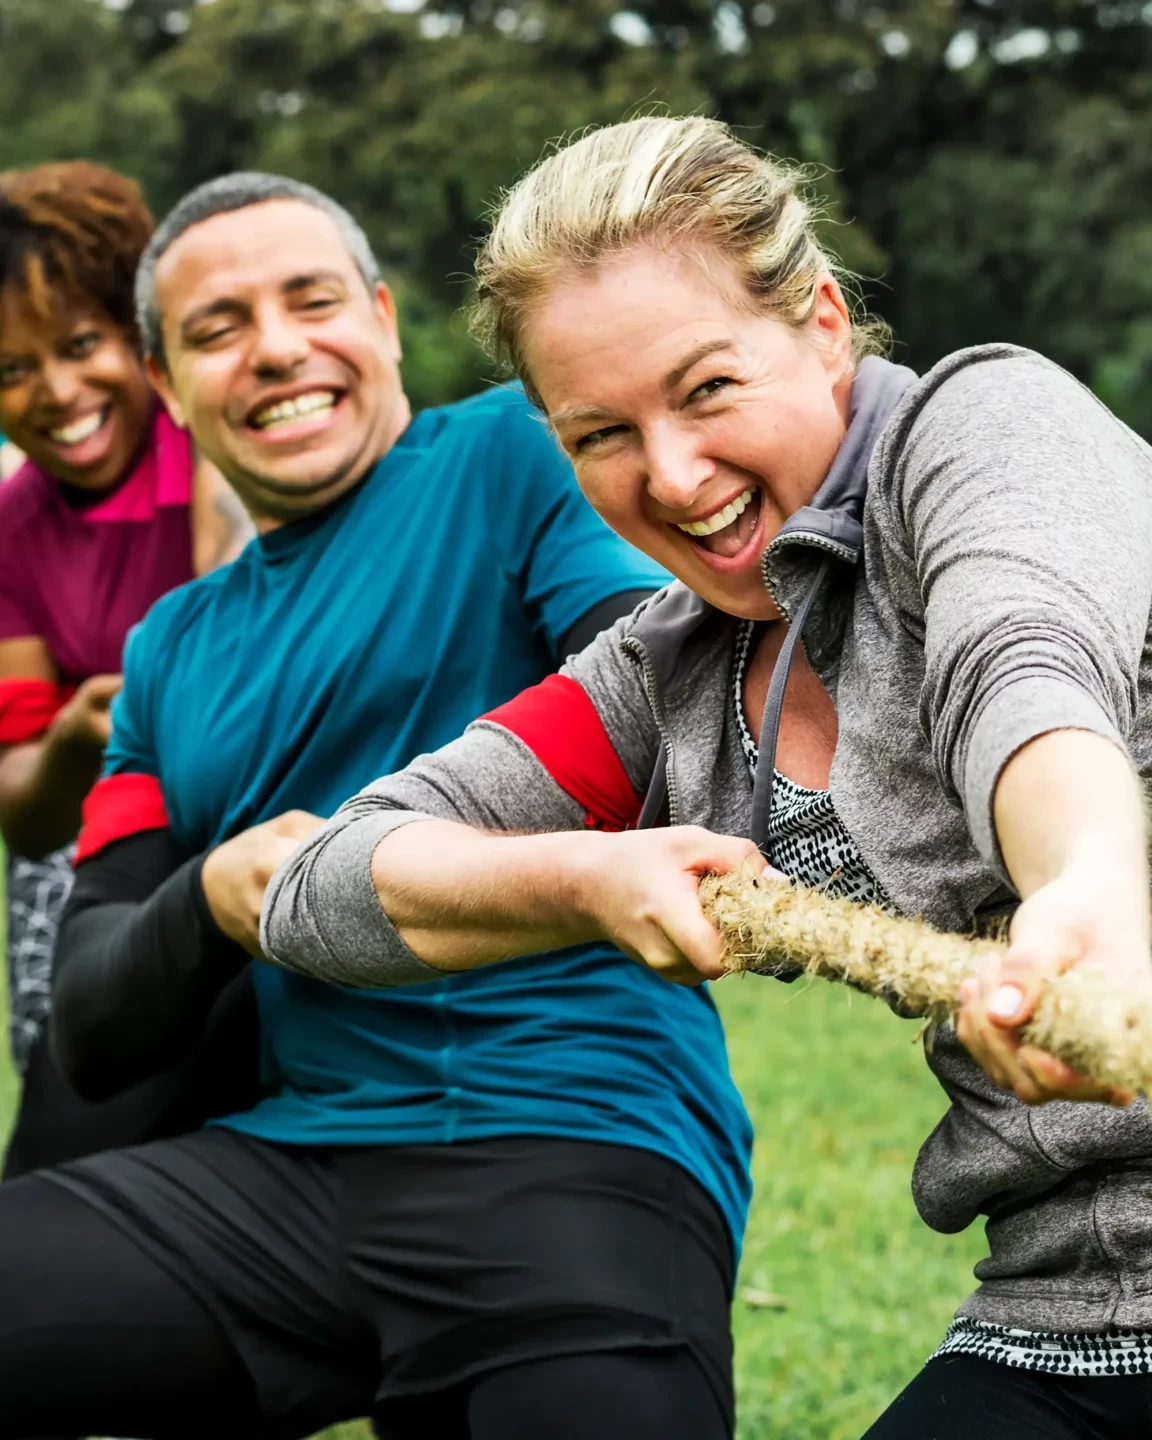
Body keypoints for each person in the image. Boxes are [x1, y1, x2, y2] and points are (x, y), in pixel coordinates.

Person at [261, 116, 1152, 1440]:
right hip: (1076, 1313)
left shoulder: (981, 433)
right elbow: (323, 888)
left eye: (709, 388)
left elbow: (1023, 673)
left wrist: (1085, 879)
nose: (671, 474)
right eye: (599, 432)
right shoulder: (661, 680)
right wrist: (590, 874)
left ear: (827, 322)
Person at [0, 171, 716, 1440]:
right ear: (170, 389)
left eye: (312, 301)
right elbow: (96, 1016)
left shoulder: (511, 453)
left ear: (382, 320)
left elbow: (662, 704)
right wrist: (214, 897)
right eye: (218, 329)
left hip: (567, 1141)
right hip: (284, 1180)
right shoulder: (168, 649)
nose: (277, 349)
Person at [0, 161, 254, 1176]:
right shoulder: (15, 531)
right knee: (77, 1118)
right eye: (11, 369)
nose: (58, 394)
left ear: (142, 341)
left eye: (79, 346)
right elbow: (25, 813)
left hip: (243, 817)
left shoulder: (218, 452)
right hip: (93, 843)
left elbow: (248, 656)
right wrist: (72, 736)